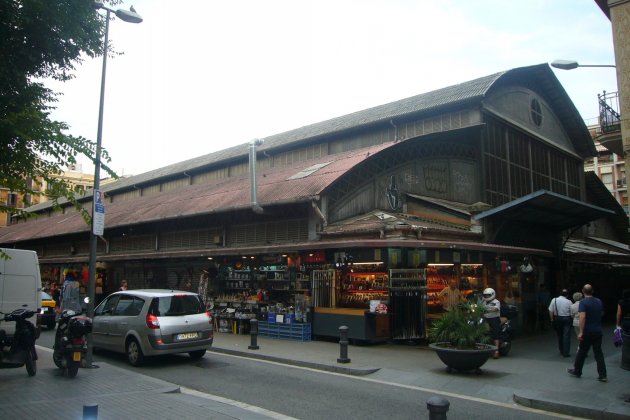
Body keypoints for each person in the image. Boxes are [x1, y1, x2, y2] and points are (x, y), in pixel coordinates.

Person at [568, 284, 607, 382]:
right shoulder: (599, 301)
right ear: (592, 291)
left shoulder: (583, 303)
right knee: (598, 353)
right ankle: (603, 375)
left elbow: (582, 317)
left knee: (582, 351)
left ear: (583, 291)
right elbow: (602, 313)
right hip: (597, 330)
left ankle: (577, 370)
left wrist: (581, 332)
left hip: (587, 331)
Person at [549, 288, 573, 357]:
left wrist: (552, 319)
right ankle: (566, 352)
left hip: (557, 318)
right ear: (567, 295)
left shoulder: (554, 300)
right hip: (567, 318)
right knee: (566, 335)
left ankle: (561, 350)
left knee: (559, 335)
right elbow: (571, 313)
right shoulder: (569, 302)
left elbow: (551, 310)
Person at [481, 287, 501, 359]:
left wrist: (489, 309)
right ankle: (483, 349)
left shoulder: (496, 302)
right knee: (483, 333)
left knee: (495, 334)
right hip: (486, 319)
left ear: (492, 294)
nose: (486, 297)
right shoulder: (483, 302)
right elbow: (480, 309)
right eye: (485, 295)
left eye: (488, 295)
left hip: (494, 319)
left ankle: (496, 351)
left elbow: (496, 308)